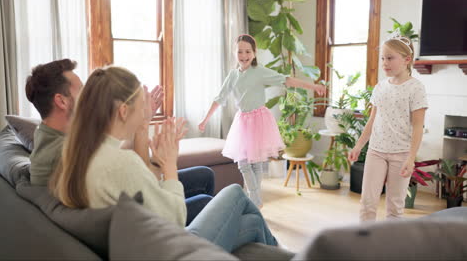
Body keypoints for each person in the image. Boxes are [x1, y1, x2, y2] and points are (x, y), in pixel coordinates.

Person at [49, 66, 278, 252]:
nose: (144, 113)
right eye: (141, 106)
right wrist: (169, 165)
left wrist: (146, 130)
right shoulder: (119, 163)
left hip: (137, 244)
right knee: (236, 193)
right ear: (123, 111)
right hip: (166, 250)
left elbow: (144, 190)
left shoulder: (80, 152)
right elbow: (174, 221)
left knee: (253, 223)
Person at [25, 59, 212, 225]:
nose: (89, 96)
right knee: (213, 200)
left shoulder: (64, 139)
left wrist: (141, 120)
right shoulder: (65, 151)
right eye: (82, 91)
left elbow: (125, 164)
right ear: (61, 101)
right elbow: (136, 174)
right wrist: (166, 162)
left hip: (124, 210)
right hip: (139, 225)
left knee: (204, 176)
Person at [198, 34, 326, 208]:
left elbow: (286, 80)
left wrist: (314, 86)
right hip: (242, 122)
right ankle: (255, 200)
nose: (244, 56)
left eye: (248, 51)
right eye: (240, 52)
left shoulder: (260, 72)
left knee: (256, 165)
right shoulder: (233, 76)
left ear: (254, 53)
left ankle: (254, 201)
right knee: (243, 164)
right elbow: (220, 98)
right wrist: (205, 119)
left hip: (259, 120)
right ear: (235, 53)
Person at [348, 29, 428, 222]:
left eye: (390, 58)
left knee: (395, 207)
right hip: (376, 151)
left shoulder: (416, 88)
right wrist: (359, 146)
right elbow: (372, 120)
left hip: (401, 154)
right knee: (367, 203)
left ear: (407, 59)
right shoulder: (380, 87)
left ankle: (390, 245)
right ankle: (364, 242)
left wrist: (411, 158)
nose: (384, 63)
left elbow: (418, 127)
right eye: (383, 58)